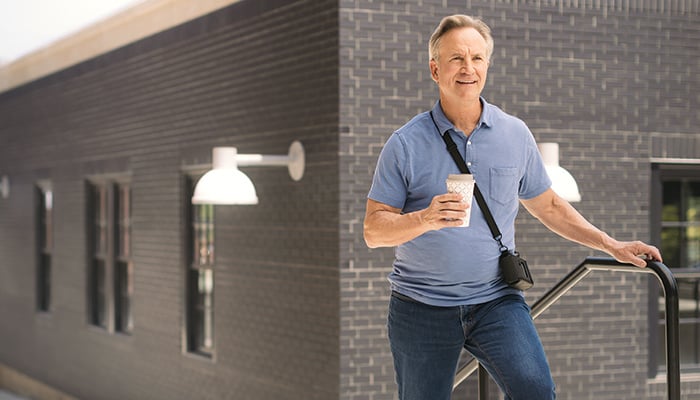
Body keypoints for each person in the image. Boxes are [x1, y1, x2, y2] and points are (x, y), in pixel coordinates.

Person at [363, 14, 662, 400]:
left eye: (477, 58)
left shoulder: (514, 134)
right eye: (456, 59)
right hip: (421, 307)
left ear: (487, 65)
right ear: (435, 69)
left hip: (496, 301)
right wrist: (424, 218)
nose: (468, 68)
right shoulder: (404, 143)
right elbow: (374, 230)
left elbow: (550, 205)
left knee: (536, 391)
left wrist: (611, 245)